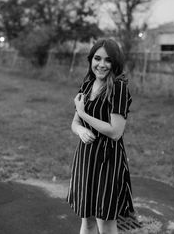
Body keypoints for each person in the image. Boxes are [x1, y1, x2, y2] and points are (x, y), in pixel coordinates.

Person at [67, 38, 137, 234]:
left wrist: (83, 114)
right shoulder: (87, 84)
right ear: (91, 59)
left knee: (105, 223)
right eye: (97, 58)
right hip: (85, 158)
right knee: (87, 220)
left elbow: (115, 132)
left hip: (108, 161)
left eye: (108, 60)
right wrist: (80, 129)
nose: (102, 64)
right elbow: (74, 123)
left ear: (115, 62)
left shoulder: (119, 88)